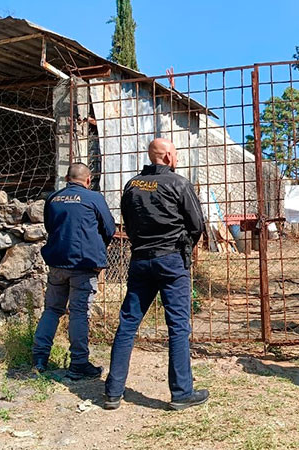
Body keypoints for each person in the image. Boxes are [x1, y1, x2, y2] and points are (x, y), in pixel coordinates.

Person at [104, 138, 207, 411]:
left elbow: (127, 221)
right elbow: (197, 224)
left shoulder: (132, 185)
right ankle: (181, 393)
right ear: (169, 157)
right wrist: (184, 247)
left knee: (128, 323)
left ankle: (113, 392)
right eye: (176, 154)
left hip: (141, 259)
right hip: (172, 260)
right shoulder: (179, 183)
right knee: (178, 326)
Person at [32, 162, 116, 380]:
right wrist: (96, 246)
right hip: (83, 264)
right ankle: (78, 363)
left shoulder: (53, 198)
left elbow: (50, 227)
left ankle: (39, 359)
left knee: (52, 310)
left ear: (67, 179)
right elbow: (109, 228)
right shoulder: (94, 198)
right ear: (88, 180)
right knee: (79, 313)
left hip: (57, 262)